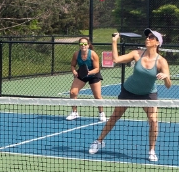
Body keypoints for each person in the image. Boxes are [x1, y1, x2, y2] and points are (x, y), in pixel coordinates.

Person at [88, 29, 172, 162]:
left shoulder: (161, 61)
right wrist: (114, 42)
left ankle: (151, 150)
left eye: (151, 37)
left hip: (148, 94)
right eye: (147, 36)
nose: (147, 38)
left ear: (157, 43)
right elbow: (116, 59)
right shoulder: (137, 53)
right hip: (129, 91)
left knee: (154, 121)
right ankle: (99, 141)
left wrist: (166, 77)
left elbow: (168, 85)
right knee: (114, 117)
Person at [65, 37, 106, 122]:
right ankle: (74, 112)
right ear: (79, 45)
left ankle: (101, 113)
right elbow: (72, 65)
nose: (83, 45)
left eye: (85, 44)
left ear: (88, 45)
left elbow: (97, 68)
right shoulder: (76, 54)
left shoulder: (93, 54)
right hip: (82, 74)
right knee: (73, 92)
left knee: (97, 96)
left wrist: (89, 73)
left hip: (94, 75)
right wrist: (74, 71)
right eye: (81, 44)